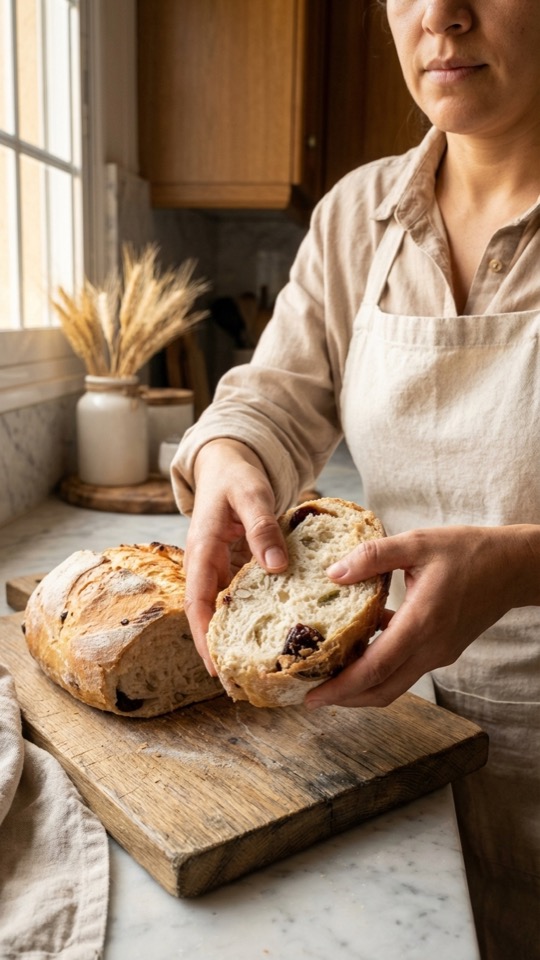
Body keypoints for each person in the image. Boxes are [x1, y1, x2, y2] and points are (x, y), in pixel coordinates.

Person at [171, 2, 540, 958]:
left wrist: (518, 566)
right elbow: (275, 396)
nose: (441, 15)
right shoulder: (357, 214)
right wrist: (228, 458)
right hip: (387, 747)